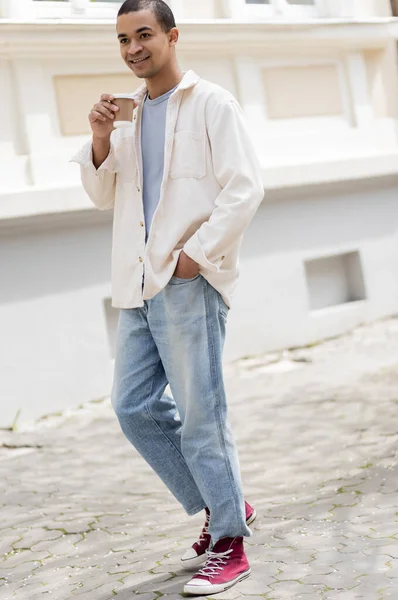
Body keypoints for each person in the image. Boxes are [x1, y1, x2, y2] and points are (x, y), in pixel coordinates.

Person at [72, 0, 264, 595]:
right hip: (135, 285)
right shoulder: (126, 115)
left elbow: (245, 188)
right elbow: (103, 196)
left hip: (186, 282)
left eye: (145, 35)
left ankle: (229, 541)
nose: (133, 48)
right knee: (133, 407)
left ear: (173, 36)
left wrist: (194, 257)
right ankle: (226, 501)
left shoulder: (211, 103)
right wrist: (100, 138)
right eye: (124, 38)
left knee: (203, 417)